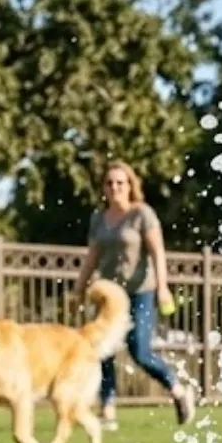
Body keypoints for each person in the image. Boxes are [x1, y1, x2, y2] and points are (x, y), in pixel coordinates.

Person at [78, 162, 196, 427]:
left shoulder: (142, 214)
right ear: (104, 188)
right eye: (109, 183)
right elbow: (93, 256)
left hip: (141, 291)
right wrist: (80, 286)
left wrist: (163, 287)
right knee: (103, 350)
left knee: (139, 350)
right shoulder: (99, 218)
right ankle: (107, 407)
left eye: (120, 182)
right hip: (109, 295)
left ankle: (177, 390)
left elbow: (158, 252)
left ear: (130, 186)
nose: (114, 187)